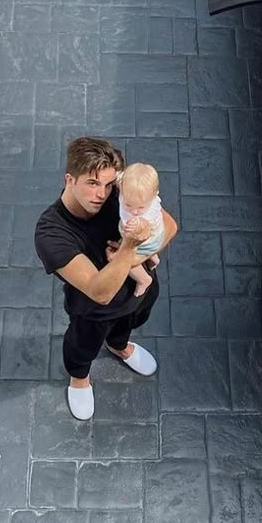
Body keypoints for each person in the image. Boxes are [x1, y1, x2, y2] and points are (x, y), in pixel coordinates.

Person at [34, 137, 178, 420]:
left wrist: (135, 259)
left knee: (127, 326)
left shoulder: (122, 193)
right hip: (93, 311)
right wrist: (130, 246)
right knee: (82, 346)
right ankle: (79, 378)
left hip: (137, 295)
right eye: (92, 183)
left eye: (109, 184)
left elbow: (170, 226)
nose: (103, 194)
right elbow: (100, 292)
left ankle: (119, 346)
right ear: (70, 180)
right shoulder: (51, 233)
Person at [117, 162, 164, 297]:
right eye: (128, 205)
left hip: (148, 238)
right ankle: (154, 259)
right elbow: (120, 178)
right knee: (148, 252)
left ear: (155, 195)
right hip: (153, 237)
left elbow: (142, 231)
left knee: (126, 261)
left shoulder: (146, 215)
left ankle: (144, 279)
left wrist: (137, 227)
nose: (134, 211)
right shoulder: (124, 187)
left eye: (140, 207)